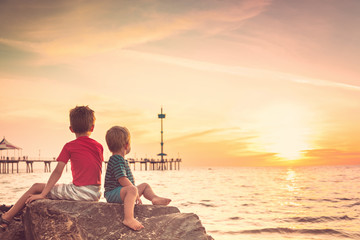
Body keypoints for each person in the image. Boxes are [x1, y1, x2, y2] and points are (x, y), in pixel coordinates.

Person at [0, 106, 104, 231]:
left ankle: (7, 217)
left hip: (81, 192)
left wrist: (43, 194)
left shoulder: (69, 146)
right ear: (92, 128)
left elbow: (57, 171)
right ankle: (17, 210)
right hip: (96, 193)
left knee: (36, 187)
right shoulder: (99, 146)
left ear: (71, 129)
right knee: (57, 188)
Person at [104, 126, 171, 231]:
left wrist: (133, 191)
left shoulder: (120, 159)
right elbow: (122, 179)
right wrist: (134, 192)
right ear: (126, 145)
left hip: (123, 192)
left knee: (145, 185)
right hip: (113, 193)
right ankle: (128, 218)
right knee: (132, 189)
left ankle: (154, 198)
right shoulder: (116, 159)